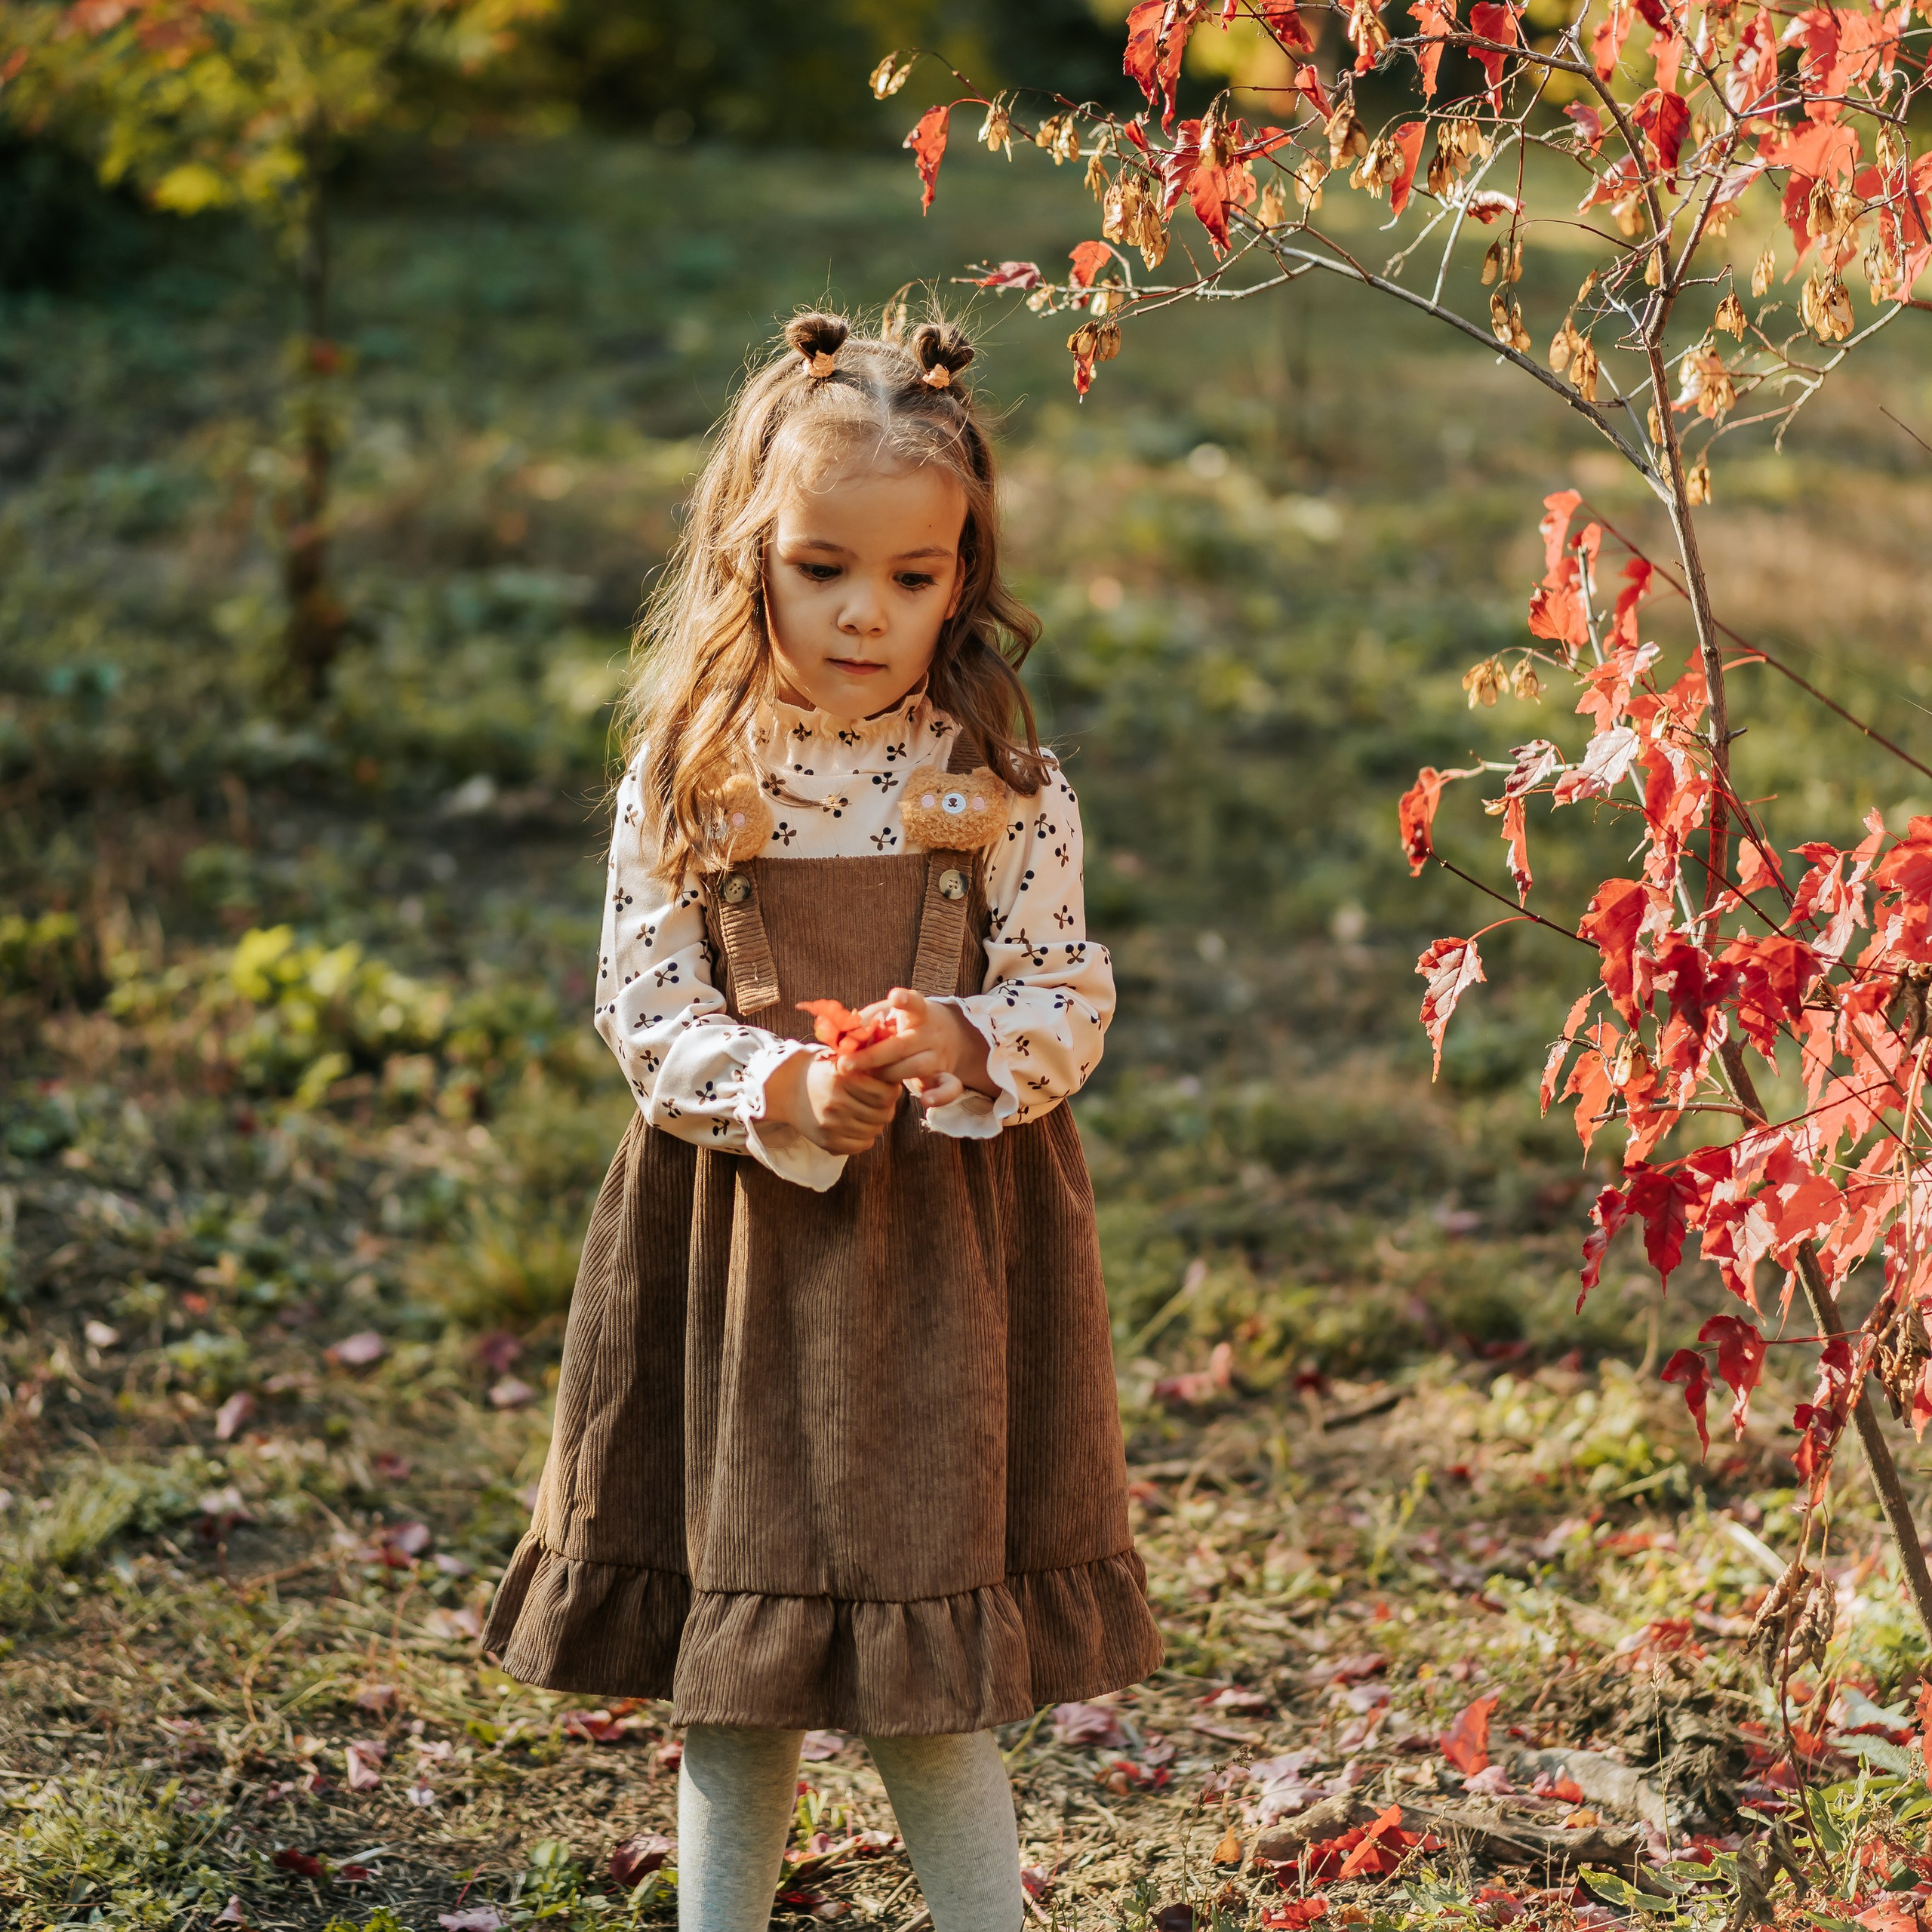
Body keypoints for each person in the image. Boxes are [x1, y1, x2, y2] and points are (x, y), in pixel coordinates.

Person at [482, 308, 1162, 1932]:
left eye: (914, 577)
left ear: (964, 569)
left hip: (945, 1257)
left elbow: (1070, 992)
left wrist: (963, 1033)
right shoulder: (692, 772)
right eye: (822, 568)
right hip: (735, 1258)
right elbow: (644, 1016)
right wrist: (783, 1077)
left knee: (929, 1668)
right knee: (744, 1651)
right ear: (750, 556)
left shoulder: (1001, 775)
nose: (868, 613)